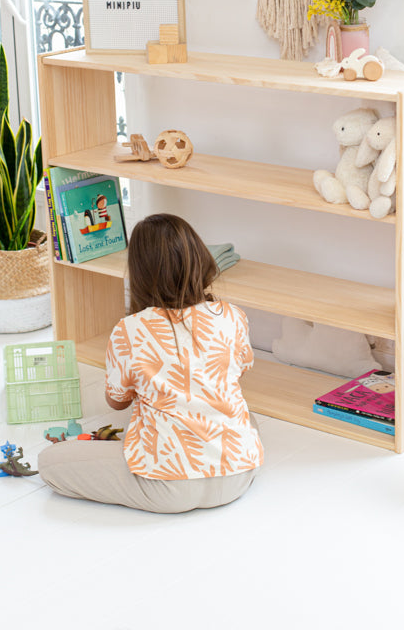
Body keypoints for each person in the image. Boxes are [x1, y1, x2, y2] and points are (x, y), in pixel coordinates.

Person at [38, 213, 263, 513]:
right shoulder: (232, 316)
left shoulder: (130, 329)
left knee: (49, 462)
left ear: (139, 274)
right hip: (239, 474)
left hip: (166, 486)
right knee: (248, 420)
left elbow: (116, 401)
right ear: (200, 259)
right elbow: (240, 370)